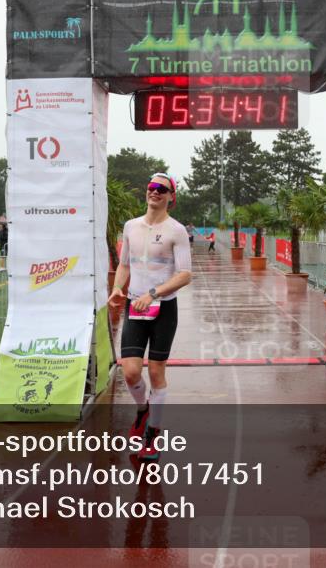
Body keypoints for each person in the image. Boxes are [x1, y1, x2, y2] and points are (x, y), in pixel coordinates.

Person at [108, 173, 192, 461]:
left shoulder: (176, 230)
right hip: (134, 305)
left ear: (171, 197)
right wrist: (118, 288)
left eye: (161, 189)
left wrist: (153, 294)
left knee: (156, 373)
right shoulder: (131, 226)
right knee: (130, 372)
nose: (154, 192)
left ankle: (153, 433)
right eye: (151, 188)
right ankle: (143, 410)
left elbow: (185, 275)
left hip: (163, 308)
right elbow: (123, 265)